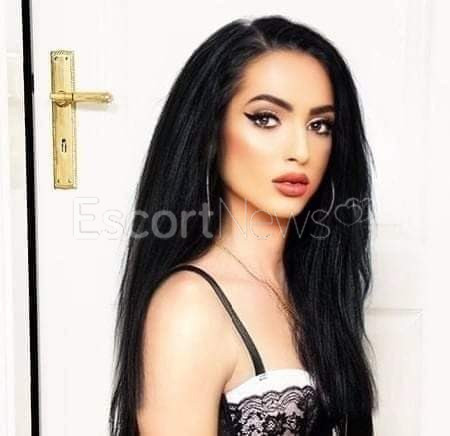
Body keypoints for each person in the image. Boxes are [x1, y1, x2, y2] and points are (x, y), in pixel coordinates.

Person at [109, 14, 378, 436]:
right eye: (266, 118)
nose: (301, 150)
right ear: (211, 132)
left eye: (319, 125)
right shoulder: (190, 307)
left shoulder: (312, 283)